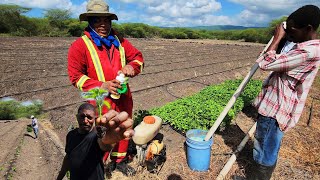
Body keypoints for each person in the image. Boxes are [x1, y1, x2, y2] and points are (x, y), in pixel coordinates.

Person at [67, 0, 144, 174]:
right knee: (100, 132)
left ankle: (120, 160)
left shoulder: (120, 40)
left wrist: (132, 66)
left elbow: (138, 58)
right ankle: (98, 165)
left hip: (123, 96)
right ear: (89, 22)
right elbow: (75, 77)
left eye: (106, 20)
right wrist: (103, 85)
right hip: (99, 100)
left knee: (124, 127)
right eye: (96, 20)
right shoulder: (79, 46)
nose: (102, 24)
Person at [250, 5, 320, 180]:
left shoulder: (307, 52)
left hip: (276, 110)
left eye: (292, 32)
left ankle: (257, 178)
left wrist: (277, 37)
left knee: (264, 147)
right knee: (267, 146)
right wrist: (283, 39)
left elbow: (265, 63)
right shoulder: (303, 46)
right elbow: (273, 57)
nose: (289, 35)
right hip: (276, 106)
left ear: (308, 29)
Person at [56, 103, 134, 180]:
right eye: (82, 116)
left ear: (94, 119)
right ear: (77, 117)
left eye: (89, 117)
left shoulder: (96, 136)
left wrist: (108, 140)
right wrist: (60, 177)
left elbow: (105, 145)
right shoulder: (71, 135)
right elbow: (68, 157)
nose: (85, 121)